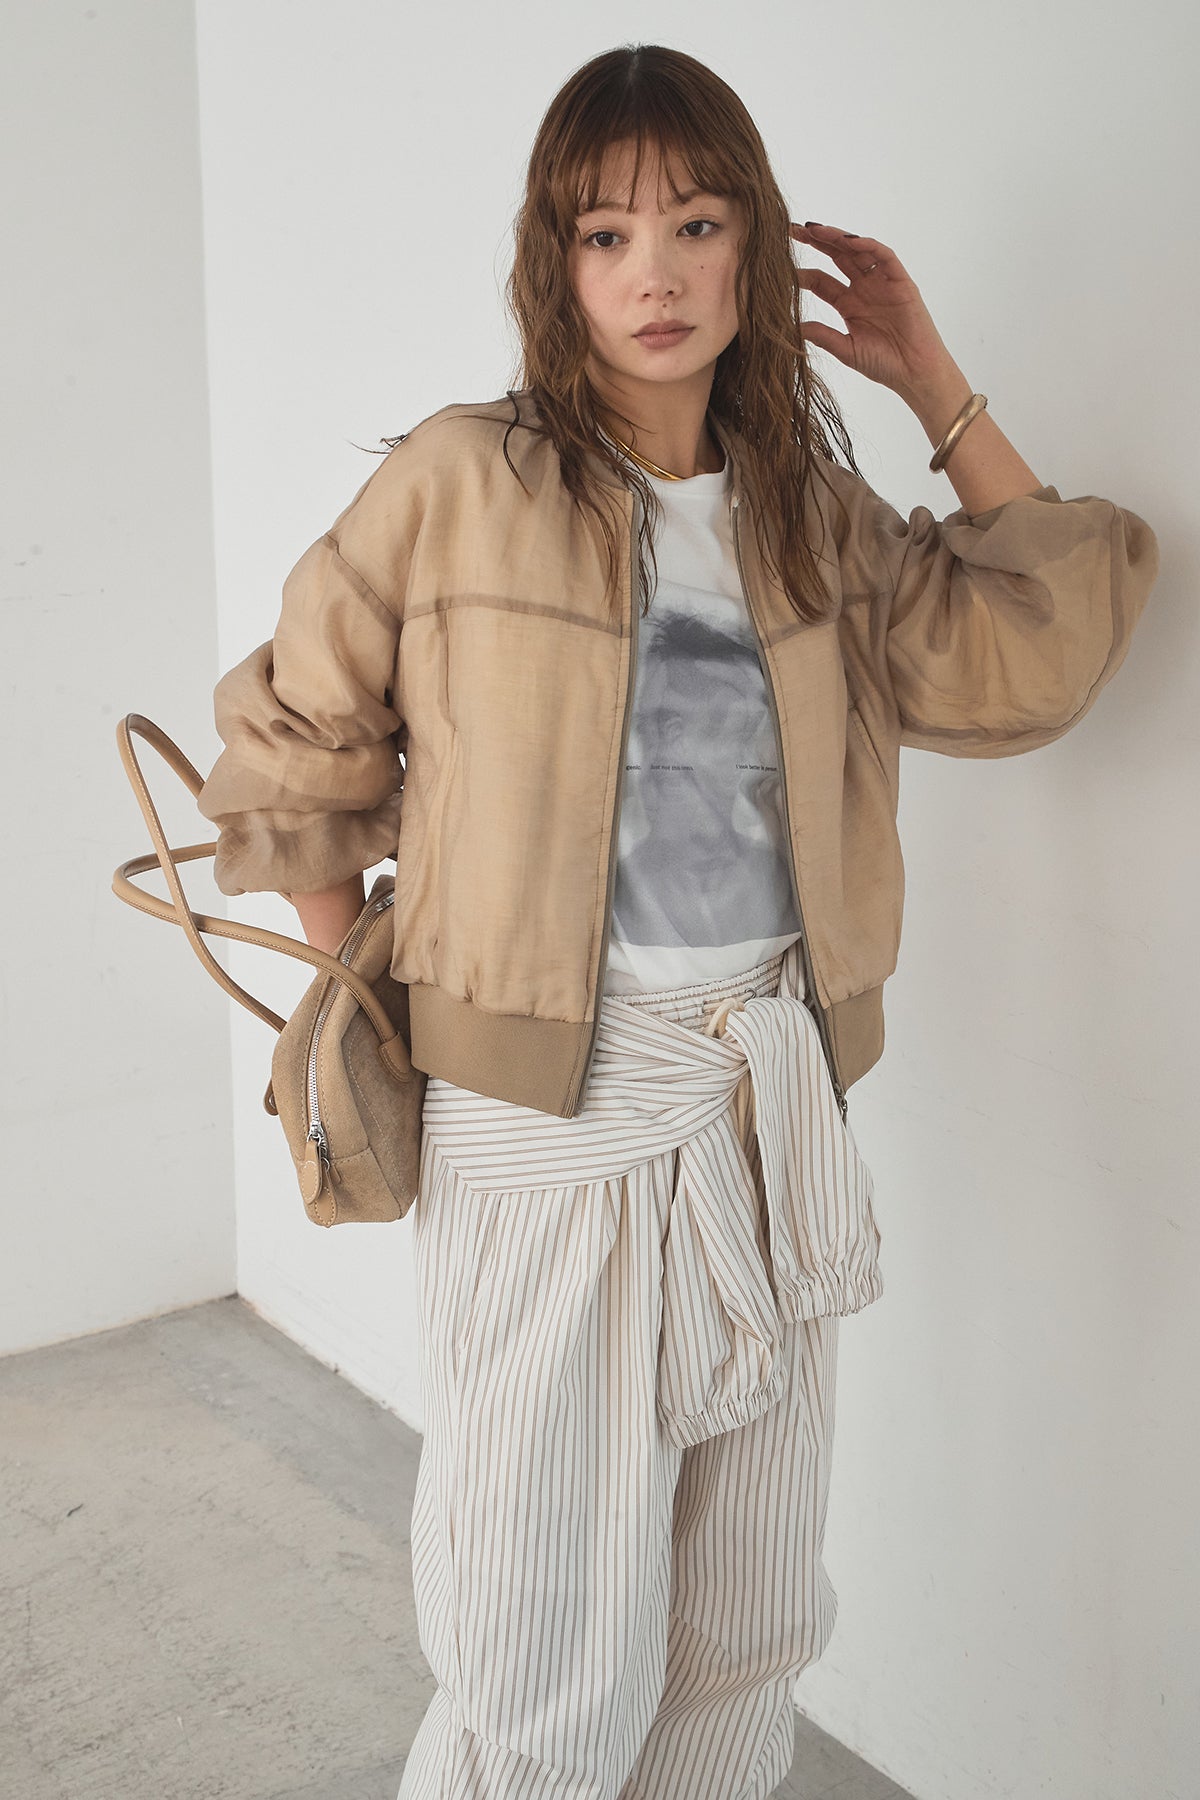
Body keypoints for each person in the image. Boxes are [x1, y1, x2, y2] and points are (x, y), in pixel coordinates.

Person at [195, 42, 1160, 1800]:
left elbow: (1034, 649)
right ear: (553, 263)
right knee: (542, 1634)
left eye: (698, 225)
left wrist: (935, 384)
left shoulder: (809, 515)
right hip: (541, 1127)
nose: (655, 273)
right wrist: (364, 998)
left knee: (745, 1622)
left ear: (752, 250)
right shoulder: (460, 482)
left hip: (769, 1102)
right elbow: (290, 745)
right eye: (607, 233)